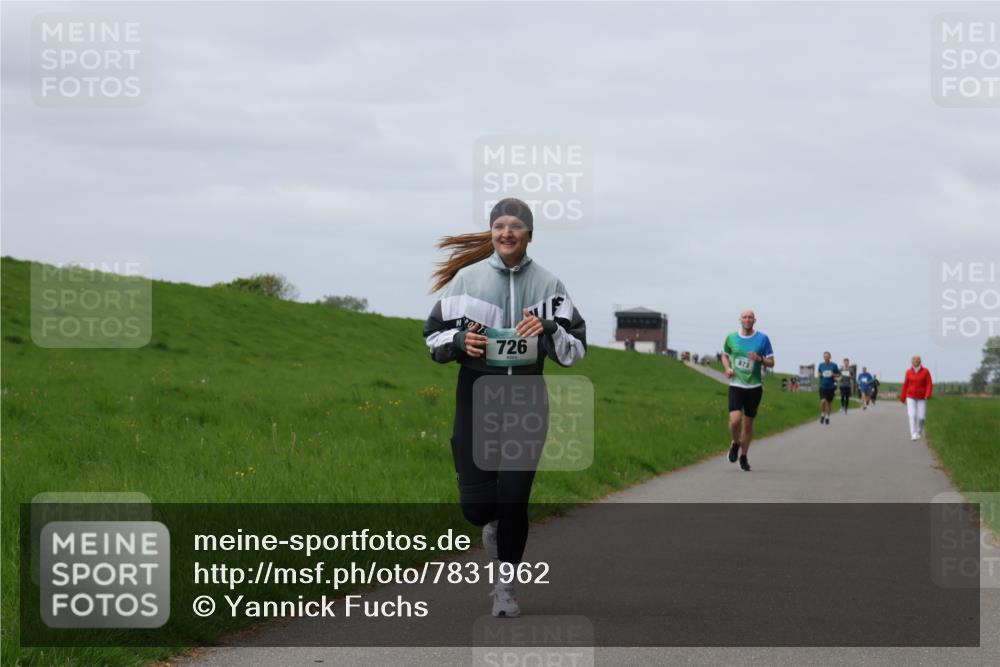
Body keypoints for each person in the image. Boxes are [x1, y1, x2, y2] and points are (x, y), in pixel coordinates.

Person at [423, 198, 587, 617]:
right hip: (476, 397)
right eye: (500, 225)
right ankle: (492, 525)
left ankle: (505, 589)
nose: (507, 232)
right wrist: (459, 343)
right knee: (478, 508)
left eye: (516, 226)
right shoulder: (466, 281)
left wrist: (550, 329)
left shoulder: (550, 287)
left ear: (530, 234)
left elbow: (576, 350)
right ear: (492, 232)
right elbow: (432, 338)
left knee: (514, 499)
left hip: (526, 401)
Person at [721, 310, 775, 471]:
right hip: (736, 385)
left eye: (750, 317)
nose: (747, 319)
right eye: (744, 317)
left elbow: (772, 362)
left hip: (755, 387)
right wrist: (728, 368)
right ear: (740, 320)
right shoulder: (731, 337)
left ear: (754, 320)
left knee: (748, 426)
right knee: (736, 420)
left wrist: (760, 359)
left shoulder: (762, 339)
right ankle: (735, 443)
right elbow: (724, 355)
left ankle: (743, 457)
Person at [899, 355, 933, 441]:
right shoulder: (908, 372)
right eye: (914, 360)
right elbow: (905, 384)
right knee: (912, 415)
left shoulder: (925, 371)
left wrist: (928, 394)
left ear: (920, 361)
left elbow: (929, 384)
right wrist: (902, 397)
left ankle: (919, 431)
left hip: (922, 397)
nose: (916, 361)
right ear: (911, 361)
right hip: (910, 397)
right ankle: (913, 434)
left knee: (921, 417)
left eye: (917, 360)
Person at [817, 351, 839, 424]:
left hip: (831, 387)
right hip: (822, 386)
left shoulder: (834, 365)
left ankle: (827, 417)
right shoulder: (821, 365)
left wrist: (834, 374)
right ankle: (822, 414)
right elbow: (819, 373)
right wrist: (819, 375)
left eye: (827, 356)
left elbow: (839, 374)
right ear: (823, 357)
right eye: (825, 356)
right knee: (823, 401)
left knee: (829, 404)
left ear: (830, 357)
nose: (826, 358)